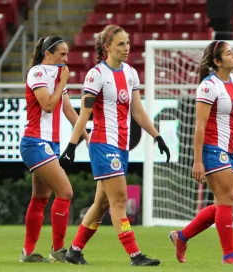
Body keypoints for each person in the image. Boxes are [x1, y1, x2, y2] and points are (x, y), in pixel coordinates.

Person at [59, 24, 170, 266]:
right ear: (107, 47)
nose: (127, 47)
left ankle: (74, 251)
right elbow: (84, 114)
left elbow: (137, 111)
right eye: (121, 43)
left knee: (101, 204)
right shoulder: (96, 74)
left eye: (128, 43)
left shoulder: (130, 73)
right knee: (119, 201)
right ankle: (135, 255)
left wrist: (156, 135)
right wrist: (71, 145)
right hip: (103, 145)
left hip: (121, 147)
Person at [168, 40, 233, 265]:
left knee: (223, 202)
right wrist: (197, 161)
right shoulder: (208, 86)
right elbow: (200, 126)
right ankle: (229, 255)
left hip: (228, 149)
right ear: (217, 61)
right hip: (211, 149)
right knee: (226, 200)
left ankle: (182, 236)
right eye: (228, 53)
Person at [19, 36, 89, 263]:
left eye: (67, 54)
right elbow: (48, 106)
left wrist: (86, 135)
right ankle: (58, 251)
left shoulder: (59, 76)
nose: (66, 59)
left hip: (50, 144)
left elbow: (68, 111)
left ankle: (28, 253)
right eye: (62, 54)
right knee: (66, 192)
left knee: (40, 198)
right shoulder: (37, 73)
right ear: (48, 54)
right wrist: (62, 82)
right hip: (35, 142)